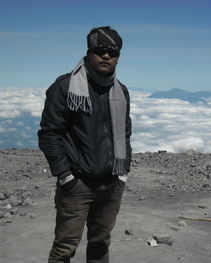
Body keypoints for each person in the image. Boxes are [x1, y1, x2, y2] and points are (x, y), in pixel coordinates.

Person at [38, 26, 132, 263]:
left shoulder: (121, 91)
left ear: (118, 57)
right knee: (64, 249)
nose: (106, 56)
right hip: (77, 184)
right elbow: (50, 133)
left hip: (111, 183)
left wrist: (123, 174)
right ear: (89, 52)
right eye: (100, 50)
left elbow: (125, 133)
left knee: (100, 243)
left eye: (113, 52)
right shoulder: (65, 87)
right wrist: (65, 175)